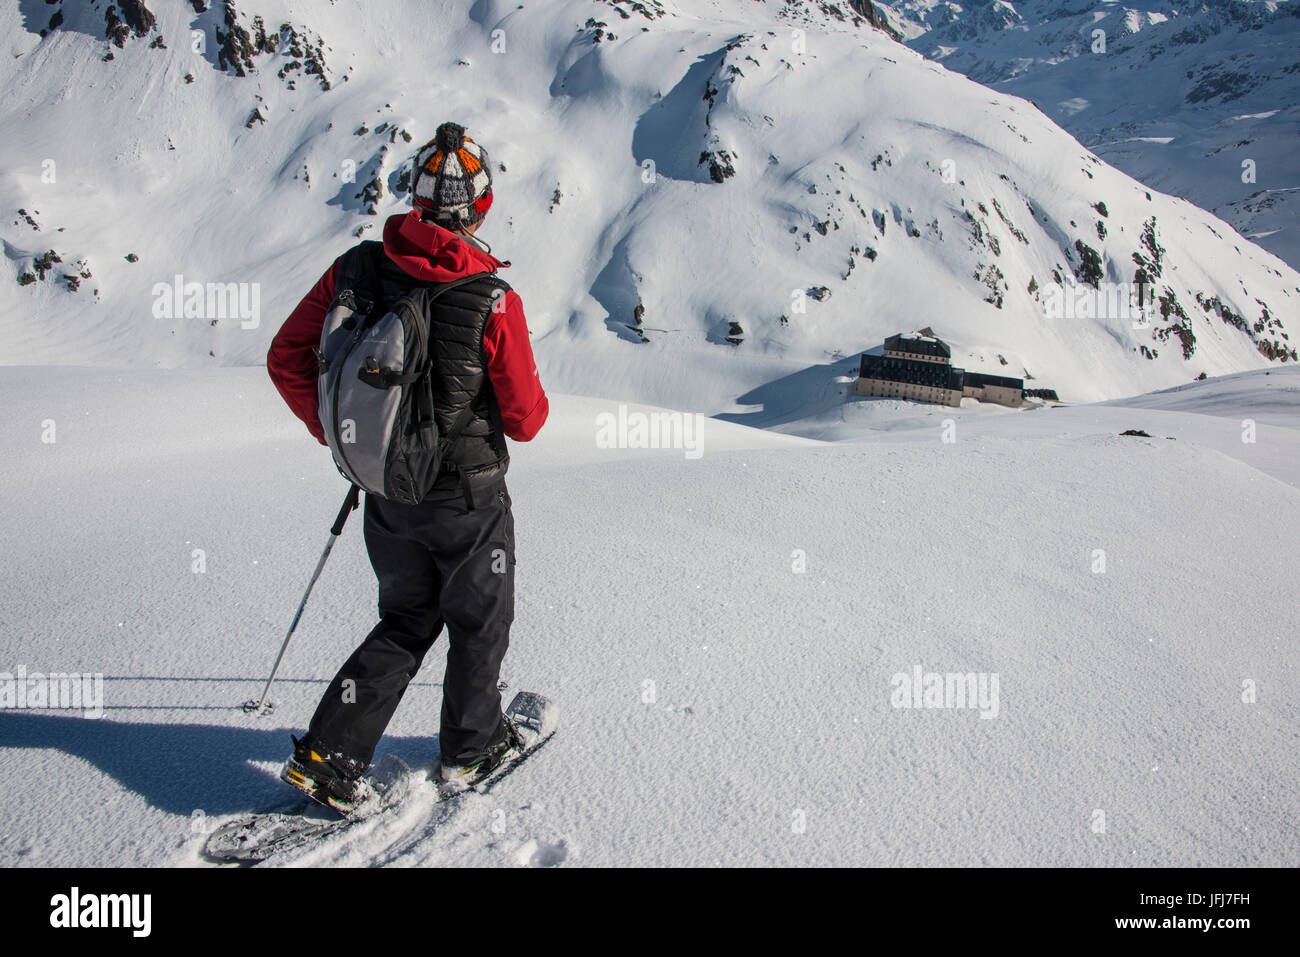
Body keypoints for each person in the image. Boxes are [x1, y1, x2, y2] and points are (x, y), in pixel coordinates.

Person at [266, 121, 548, 808]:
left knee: (406, 619)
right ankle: (470, 750)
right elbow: (527, 419)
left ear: (414, 197)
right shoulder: (493, 299)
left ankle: (328, 756)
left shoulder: (356, 268)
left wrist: (348, 437)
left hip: (386, 494)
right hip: (468, 502)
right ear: (480, 207)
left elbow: (287, 357)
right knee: (479, 623)